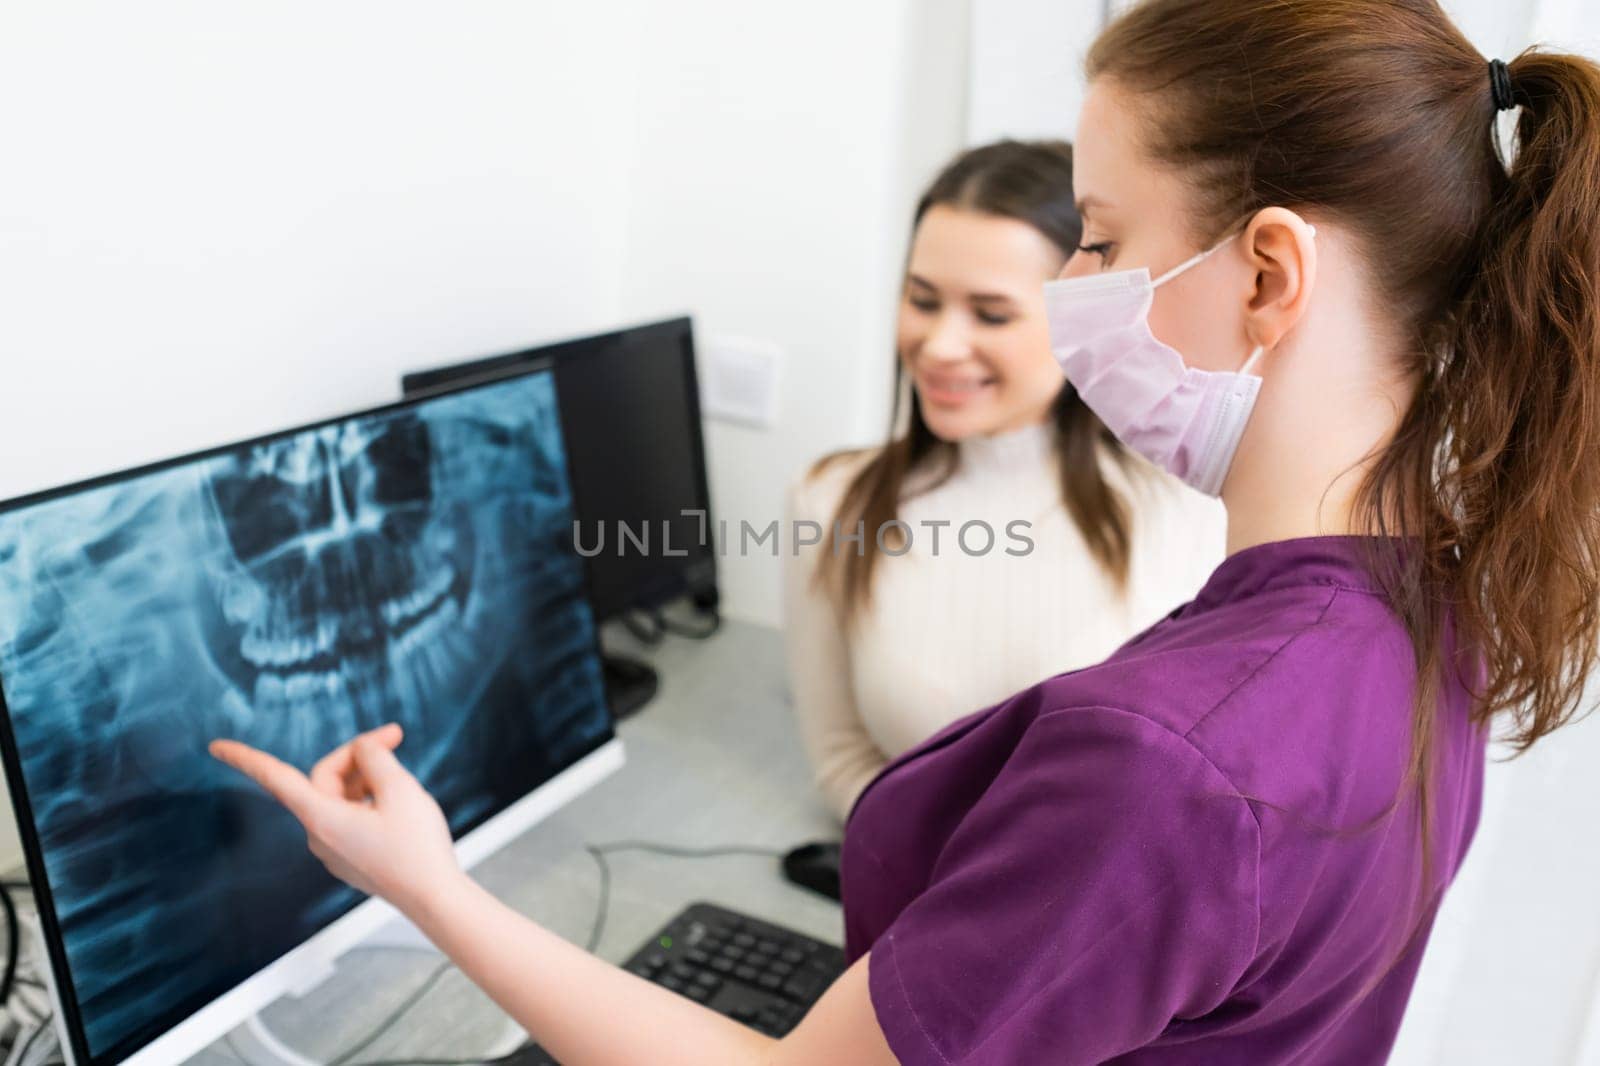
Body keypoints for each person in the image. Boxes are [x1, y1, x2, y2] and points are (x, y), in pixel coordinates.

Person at [211, 1, 1600, 1061]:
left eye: (1102, 241)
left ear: (1269, 270)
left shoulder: (1169, 750)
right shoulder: (1428, 608)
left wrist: (427, 886)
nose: (1070, 297)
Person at [784, 139, 1224, 821]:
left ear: (1081, 317)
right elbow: (843, 757)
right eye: (922, 300)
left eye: (991, 314)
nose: (939, 345)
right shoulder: (831, 501)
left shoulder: (1189, 505)